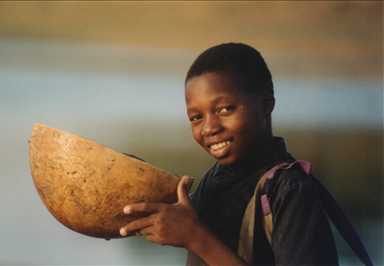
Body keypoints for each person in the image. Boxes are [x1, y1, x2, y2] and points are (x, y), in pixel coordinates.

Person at [118, 43, 369, 266]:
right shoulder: (212, 183)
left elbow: (197, 239)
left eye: (225, 109)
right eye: (196, 117)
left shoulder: (290, 191)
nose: (209, 128)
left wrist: (195, 237)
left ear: (266, 106)